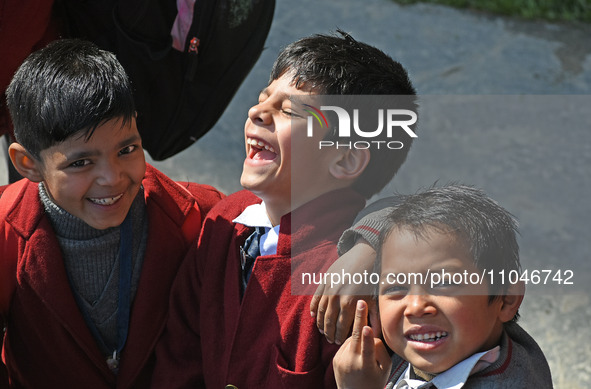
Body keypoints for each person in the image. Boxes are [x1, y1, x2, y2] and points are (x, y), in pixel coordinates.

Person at [150, 30, 418, 388]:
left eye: (288, 110)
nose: (257, 112)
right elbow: (180, 354)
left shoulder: (357, 283)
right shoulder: (225, 220)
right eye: (264, 99)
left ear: (346, 159)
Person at [0, 39, 224, 388]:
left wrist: (344, 257)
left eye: (127, 149)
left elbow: (298, 244)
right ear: (28, 164)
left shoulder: (199, 214)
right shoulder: (5, 232)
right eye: (81, 162)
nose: (113, 178)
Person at [333, 185, 553, 389]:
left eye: (444, 283)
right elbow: (387, 205)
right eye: (395, 288)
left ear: (506, 299)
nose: (416, 306)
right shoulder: (472, 336)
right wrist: (365, 251)